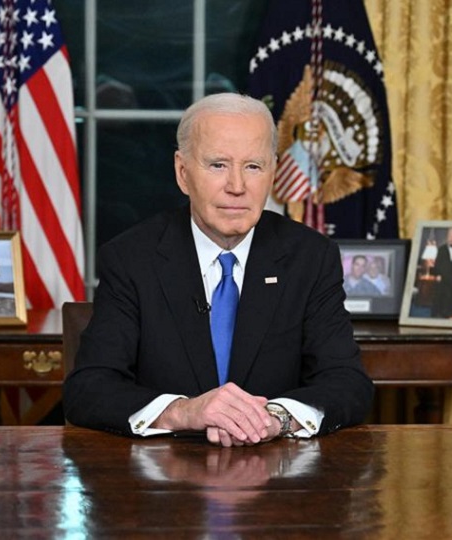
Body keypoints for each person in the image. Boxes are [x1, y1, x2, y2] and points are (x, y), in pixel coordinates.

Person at [64, 93, 374, 447]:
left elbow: (348, 383)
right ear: (183, 173)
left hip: (278, 481)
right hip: (162, 482)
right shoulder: (132, 259)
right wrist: (184, 412)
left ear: (273, 172)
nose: (237, 186)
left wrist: (277, 418)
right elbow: (88, 388)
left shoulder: (311, 258)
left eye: (253, 166)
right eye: (218, 165)